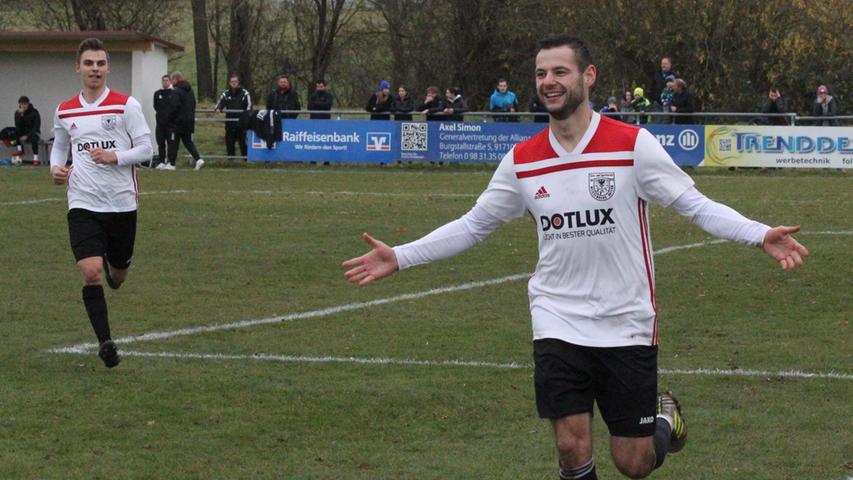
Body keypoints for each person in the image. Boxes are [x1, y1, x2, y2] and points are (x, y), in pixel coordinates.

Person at [342, 34, 809, 480]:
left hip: (626, 318)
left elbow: (694, 204)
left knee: (634, 461)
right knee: (570, 446)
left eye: (560, 71)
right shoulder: (522, 160)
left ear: (588, 76)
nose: (549, 80)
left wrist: (758, 234)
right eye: (542, 72)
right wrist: (401, 256)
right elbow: (473, 225)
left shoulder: (631, 144)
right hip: (557, 316)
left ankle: (665, 423)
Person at [49, 38, 153, 368]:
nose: (95, 69)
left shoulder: (126, 106)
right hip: (82, 201)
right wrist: (56, 168)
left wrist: (116, 156)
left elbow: (147, 150)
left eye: (101, 63)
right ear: (77, 67)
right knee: (90, 270)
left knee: (117, 276)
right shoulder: (65, 110)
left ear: (108, 68)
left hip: (122, 204)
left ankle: (114, 266)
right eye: (89, 63)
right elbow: (59, 145)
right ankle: (106, 342)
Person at [165, 72, 204, 170]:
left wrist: (169, 118)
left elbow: (174, 106)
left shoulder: (176, 91)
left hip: (178, 122)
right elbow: (193, 104)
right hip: (189, 121)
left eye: (172, 80)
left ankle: (172, 164)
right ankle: (198, 159)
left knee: (173, 142)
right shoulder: (190, 91)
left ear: (175, 79)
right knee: (188, 142)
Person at [214, 74, 252, 159]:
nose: (234, 83)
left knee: (243, 144)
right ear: (229, 83)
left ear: (238, 83)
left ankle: (246, 160)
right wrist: (218, 108)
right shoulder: (225, 94)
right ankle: (230, 161)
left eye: (235, 81)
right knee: (229, 143)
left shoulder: (245, 93)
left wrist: (246, 118)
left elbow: (249, 107)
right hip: (230, 124)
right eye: (232, 82)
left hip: (242, 124)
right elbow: (219, 104)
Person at [152, 75, 174, 168]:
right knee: (160, 142)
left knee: (170, 143)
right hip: (160, 123)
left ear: (170, 82)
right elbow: (155, 106)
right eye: (163, 81)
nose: (165, 82)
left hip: (170, 123)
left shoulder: (173, 93)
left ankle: (170, 161)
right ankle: (161, 161)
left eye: (167, 80)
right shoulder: (157, 93)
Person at [12, 96, 41, 165]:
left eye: (25, 104)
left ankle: (35, 159)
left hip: (32, 133)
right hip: (22, 133)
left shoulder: (34, 112)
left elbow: (36, 127)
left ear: (28, 104)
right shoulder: (17, 113)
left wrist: (27, 136)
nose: (23, 106)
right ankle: (19, 150)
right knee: (13, 139)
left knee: (34, 139)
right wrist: (21, 115)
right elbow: (18, 126)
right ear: (19, 104)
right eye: (21, 104)